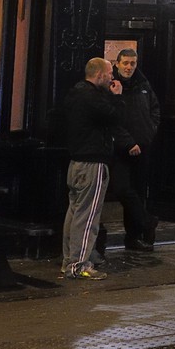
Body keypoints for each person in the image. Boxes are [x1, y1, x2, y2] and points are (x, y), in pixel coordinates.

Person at [60, 57, 139, 281]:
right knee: (88, 217)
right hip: (93, 163)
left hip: (76, 162)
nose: (112, 77)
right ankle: (78, 264)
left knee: (74, 212)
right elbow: (116, 116)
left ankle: (68, 260)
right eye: (109, 73)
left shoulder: (76, 93)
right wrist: (118, 97)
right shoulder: (92, 97)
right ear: (99, 75)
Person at [110, 47, 159, 252]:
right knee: (121, 188)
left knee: (138, 192)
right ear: (118, 63)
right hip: (119, 149)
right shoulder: (111, 84)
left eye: (133, 63)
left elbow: (154, 109)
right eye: (125, 63)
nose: (129, 67)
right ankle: (147, 221)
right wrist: (128, 142)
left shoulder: (143, 84)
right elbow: (112, 118)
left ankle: (134, 237)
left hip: (142, 147)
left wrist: (149, 132)